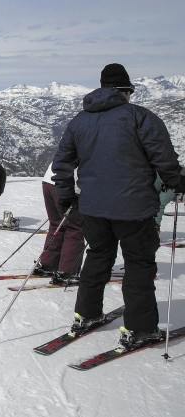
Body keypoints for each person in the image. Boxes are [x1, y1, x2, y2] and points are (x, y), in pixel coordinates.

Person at [52, 63, 184, 349]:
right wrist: (177, 182)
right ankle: (141, 328)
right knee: (138, 263)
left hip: (92, 207)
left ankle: (86, 314)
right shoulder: (140, 117)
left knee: (98, 255)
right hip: (134, 207)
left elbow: (61, 163)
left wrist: (66, 195)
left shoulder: (79, 121)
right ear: (125, 91)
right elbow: (164, 158)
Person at [35, 163, 84, 285]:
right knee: (75, 227)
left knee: (57, 223)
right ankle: (68, 271)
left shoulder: (72, 143)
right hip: (69, 185)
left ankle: (48, 264)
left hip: (49, 180)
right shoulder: (93, 144)